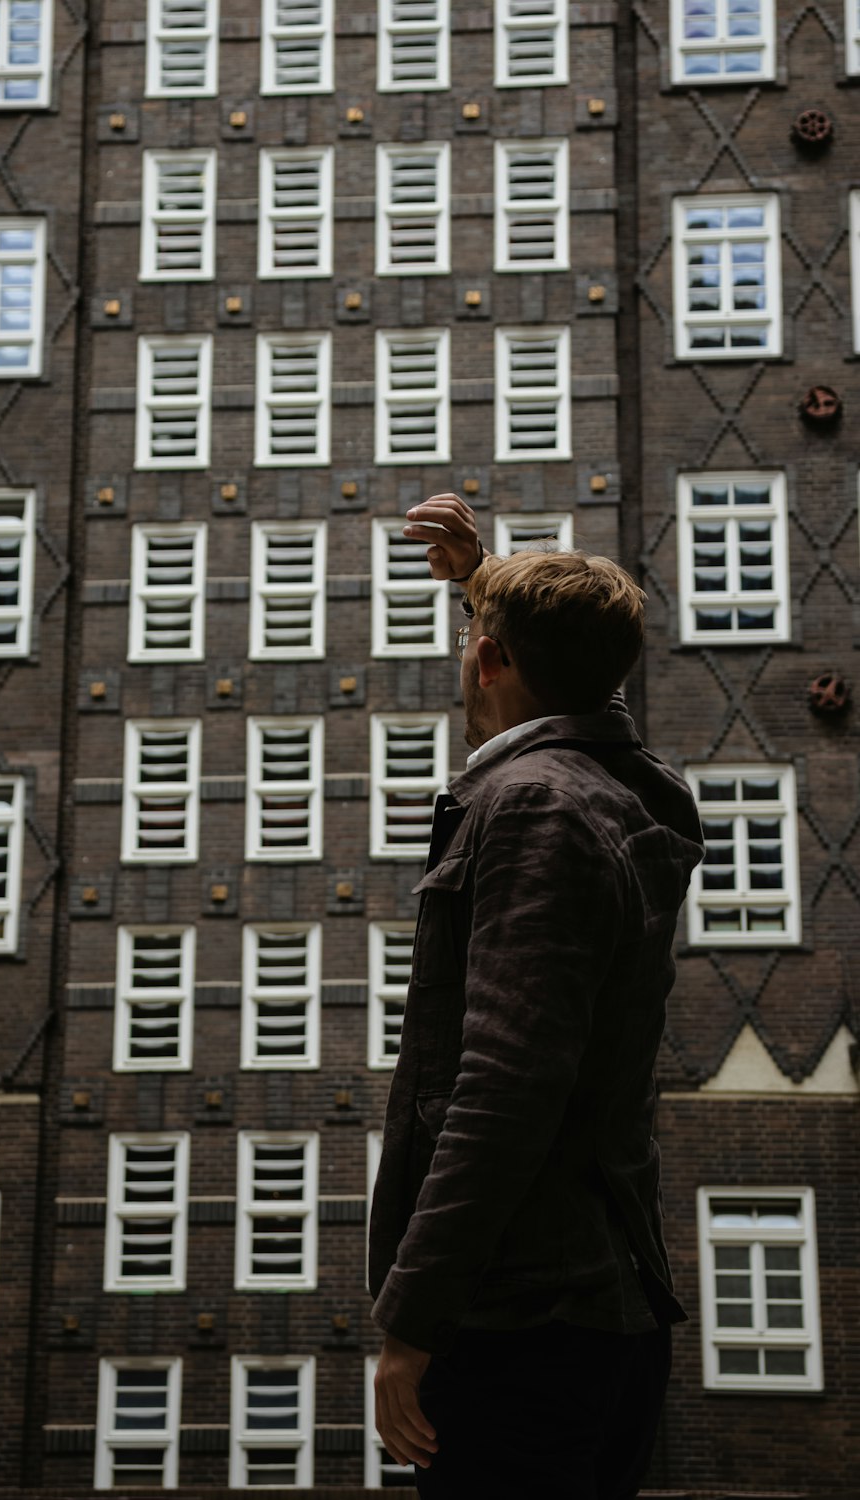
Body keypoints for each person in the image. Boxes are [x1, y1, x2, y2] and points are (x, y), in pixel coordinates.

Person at [369, 493, 705, 1499]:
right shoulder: (631, 786)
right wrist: (485, 585)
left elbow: (505, 1087)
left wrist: (411, 1324)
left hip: (522, 1330)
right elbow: (568, 669)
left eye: (478, 638)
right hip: (602, 1312)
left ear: (488, 662)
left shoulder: (534, 808)